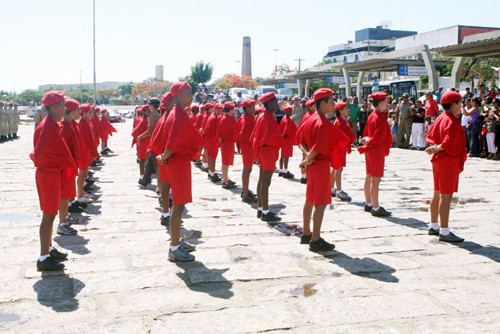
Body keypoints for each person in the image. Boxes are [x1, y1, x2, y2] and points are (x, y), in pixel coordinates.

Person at [298, 88, 349, 252]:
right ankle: (316, 239)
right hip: (320, 167)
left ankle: (306, 233)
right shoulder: (323, 123)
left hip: (313, 166)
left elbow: (302, 143)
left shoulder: (310, 119)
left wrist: (307, 158)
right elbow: (318, 147)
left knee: (310, 199)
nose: (334, 104)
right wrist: (309, 158)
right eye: (332, 101)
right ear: (323, 103)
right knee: (320, 204)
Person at [157, 82, 202, 261]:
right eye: (189, 93)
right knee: (178, 206)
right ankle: (174, 248)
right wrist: (164, 157)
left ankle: (177, 242)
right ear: (181, 95)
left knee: (180, 205)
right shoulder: (177, 115)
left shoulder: (177, 113)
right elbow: (172, 143)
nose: (192, 97)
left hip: (179, 162)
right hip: (178, 163)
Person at [31, 91, 76, 271]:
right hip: (48, 174)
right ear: (55, 106)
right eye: (63, 105)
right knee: (48, 215)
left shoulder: (51, 124)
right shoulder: (47, 126)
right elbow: (40, 155)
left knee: (52, 213)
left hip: (52, 173)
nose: (65, 108)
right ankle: (43, 258)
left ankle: (49, 249)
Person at [425, 91, 467, 243]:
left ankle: (434, 225)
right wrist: (438, 148)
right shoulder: (453, 121)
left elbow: (430, 135)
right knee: (446, 196)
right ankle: (444, 230)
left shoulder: (441, 118)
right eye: (460, 103)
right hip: (448, 160)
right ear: (454, 104)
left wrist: (434, 147)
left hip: (438, 161)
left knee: (437, 192)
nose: (461, 106)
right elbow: (449, 142)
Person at [358, 91, 393, 217]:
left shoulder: (372, 115)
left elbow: (366, 131)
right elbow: (379, 136)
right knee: (375, 179)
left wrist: (367, 140)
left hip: (369, 149)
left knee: (369, 176)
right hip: (376, 149)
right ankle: (376, 207)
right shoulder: (380, 117)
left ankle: (368, 203)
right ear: (382, 102)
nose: (387, 103)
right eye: (386, 101)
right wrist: (371, 140)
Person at [251, 92, 283, 222]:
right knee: (266, 182)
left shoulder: (262, 116)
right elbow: (272, 137)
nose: (277, 104)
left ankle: (260, 208)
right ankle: (265, 211)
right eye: (275, 102)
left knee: (261, 180)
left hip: (264, 151)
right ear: (270, 103)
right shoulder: (268, 117)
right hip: (268, 151)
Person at [148, 92, 176, 226]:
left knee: (164, 182)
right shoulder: (166, 117)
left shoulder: (165, 116)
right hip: (167, 156)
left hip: (163, 155)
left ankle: (166, 213)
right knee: (166, 183)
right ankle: (168, 214)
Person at [58, 98, 83, 236]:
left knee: (67, 193)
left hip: (71, 164)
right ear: (72, 111)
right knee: (64, 194)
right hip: (66, 166)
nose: (79, 112)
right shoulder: (64, 127)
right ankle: (62, 223)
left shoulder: (70, 125)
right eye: (77, 110)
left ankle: (65, 216)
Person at [331, 101, 355, 201]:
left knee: (335, 168)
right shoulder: (340, 122)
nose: (347, 110)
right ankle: (339, 191)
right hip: (339, 148)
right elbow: (349, 135)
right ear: (340, 111)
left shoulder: (340, 120)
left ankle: (331, 188)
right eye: (346, 108)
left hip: (337, 147)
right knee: (338, 169)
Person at [235, 98, 258, 203]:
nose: (254, 108)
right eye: (252, 107)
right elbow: (243, 135)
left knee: (248, 169)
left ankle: (245, 190)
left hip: (248, 147)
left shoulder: (247, 117)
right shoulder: (246, 119)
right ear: (247, 108)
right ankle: (245, 193)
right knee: (247, 169)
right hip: (248, 147)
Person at [137, 98, 161, 186]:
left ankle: (159, 186)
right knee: (150, 161)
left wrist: (140, 136)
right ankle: (145, 179)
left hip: (155, 142)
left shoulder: (153, 116)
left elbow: (149, 131)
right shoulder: (159, 114)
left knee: (157, 166)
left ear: (152, 106)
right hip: (158, 141)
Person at [295, 99, 316, 184]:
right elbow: (302, 130)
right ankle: (304, 176)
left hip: (306, 141)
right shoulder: (309, 116)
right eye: (314, 105)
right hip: (306, 141)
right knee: (305, 158)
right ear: (310, 107)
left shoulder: (310, 114)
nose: (316, 106)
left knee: (305, 158)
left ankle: (304, 176)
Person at [217, 101, 237, 189]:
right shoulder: (225, 119)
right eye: (233, 109)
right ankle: (225, 181)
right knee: (225, 162)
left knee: (226, 162)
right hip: (227, 143)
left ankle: (226, 179)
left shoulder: (227, 117)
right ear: (230, 110)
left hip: (228, 143)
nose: (234, 111)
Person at [204, 103, 223, 182]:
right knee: (213, 157)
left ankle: (211, 172)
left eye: (220, 110)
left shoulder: (212, 116)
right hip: (212, 139)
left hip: (209, 139)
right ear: (214, 109)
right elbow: (216, 131)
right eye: (218, 110)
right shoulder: (214, 118)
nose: (219, 111)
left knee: (210, 156)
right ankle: (212, 173)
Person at [132, 105, 151, 183]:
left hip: (146, 142)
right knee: (142, 159)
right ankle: (141, 177)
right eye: (148, 111)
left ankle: (145, 176)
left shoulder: (147, 119)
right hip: (143, 143)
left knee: (145, 159)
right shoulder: (143, 120)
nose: (149, 112)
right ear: (143, 112)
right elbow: (135, 132)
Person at [278, 105, 297, 179]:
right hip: (287, 140)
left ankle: (281, 170)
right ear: (288, 112)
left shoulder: (284, 119)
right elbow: (285, 132)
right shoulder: (288, 120)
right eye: (291, 111)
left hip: (284, 140)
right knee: (286, 156)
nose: (292, 112)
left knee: (282, 155)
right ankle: (286, 171)